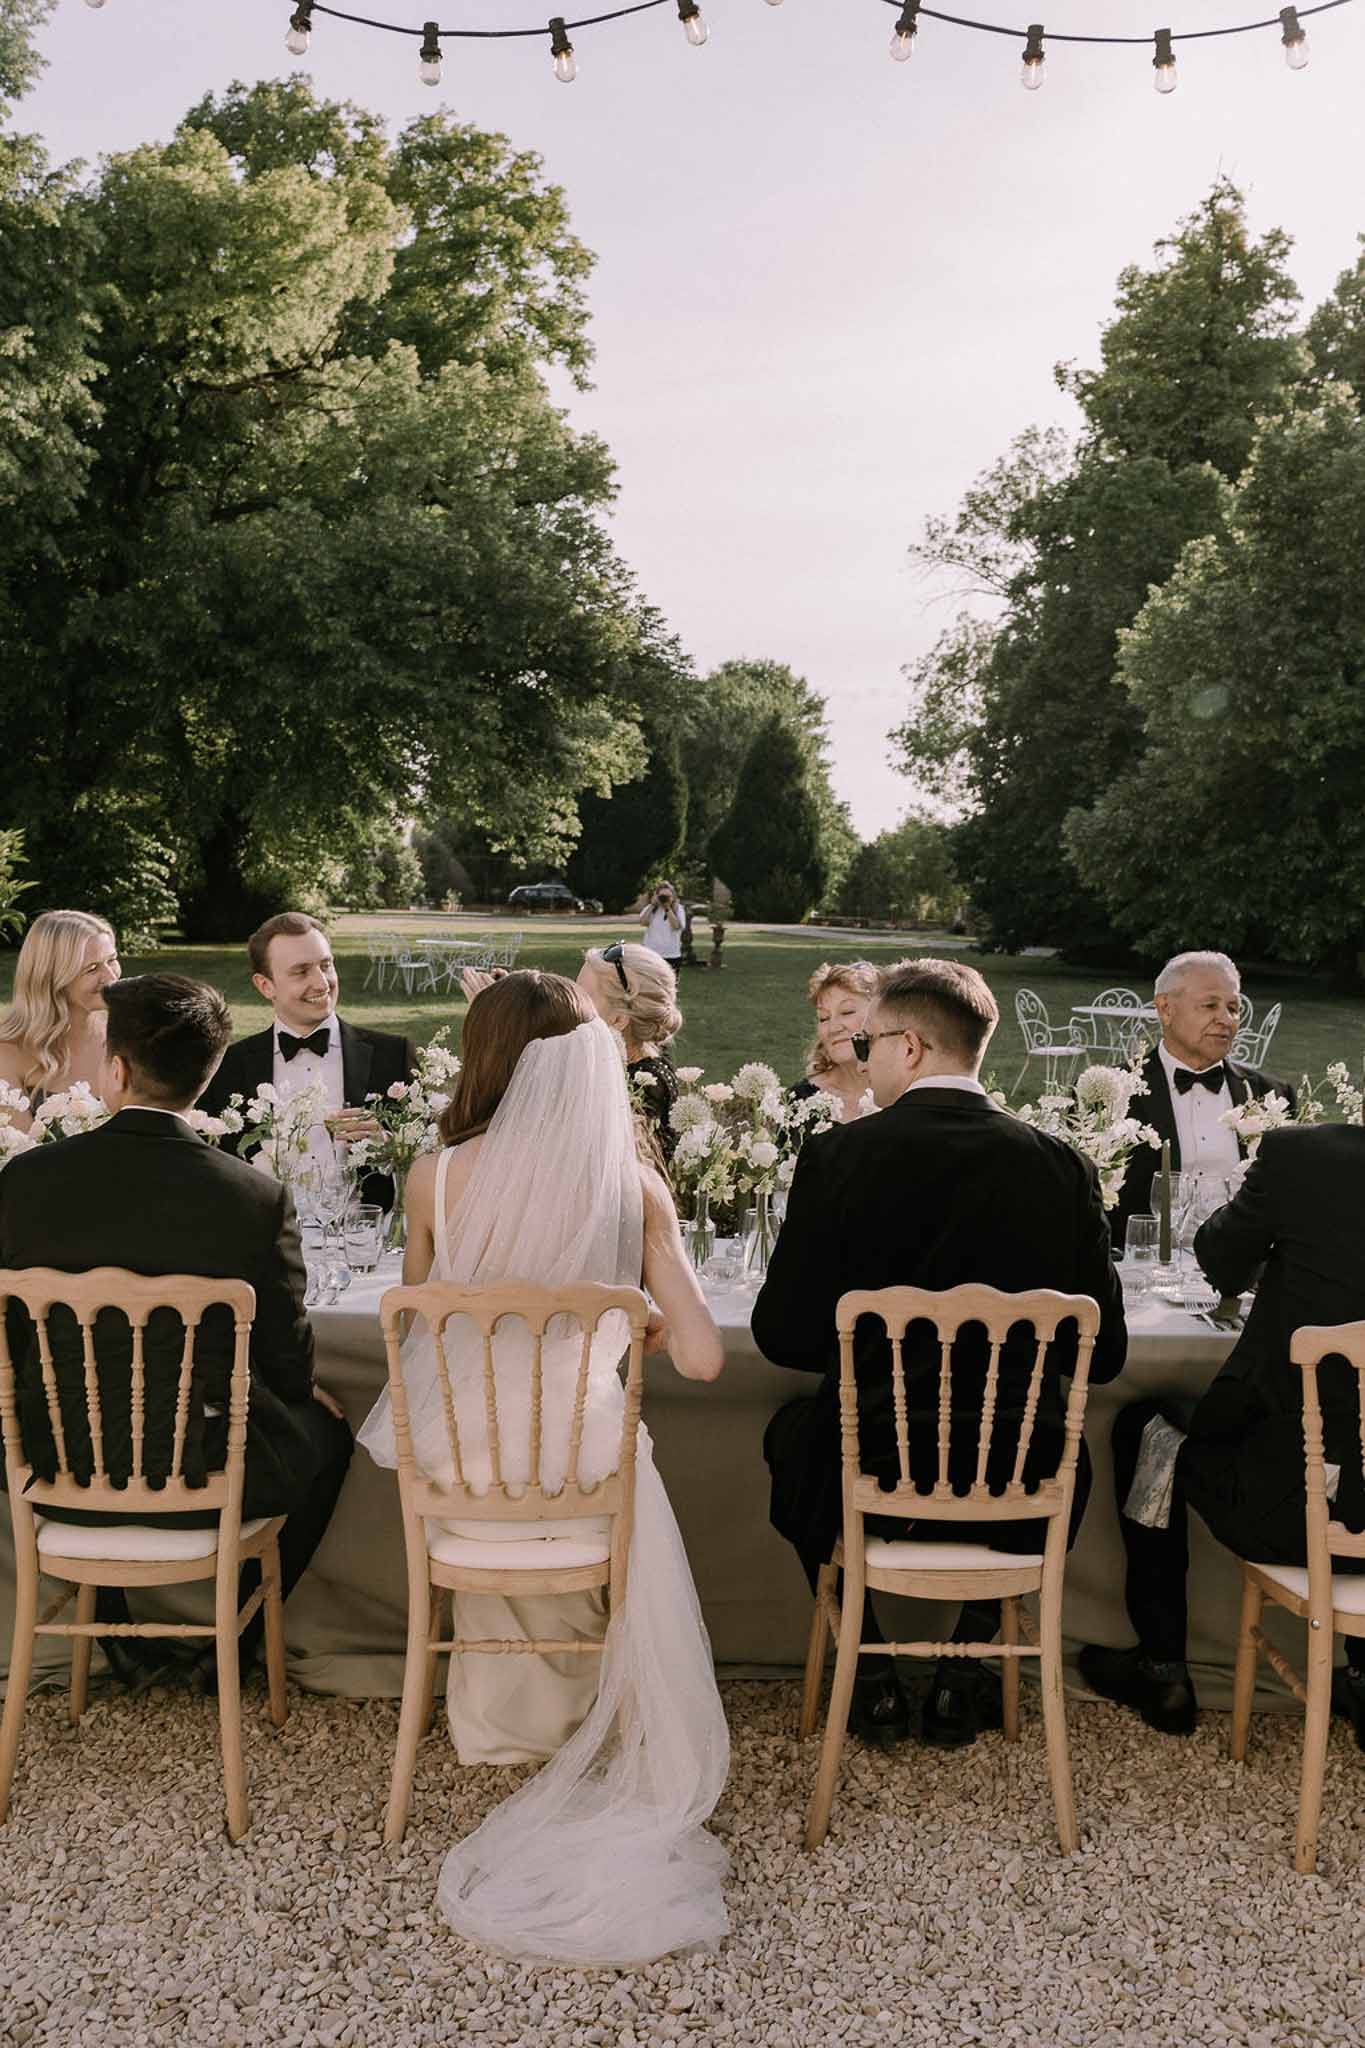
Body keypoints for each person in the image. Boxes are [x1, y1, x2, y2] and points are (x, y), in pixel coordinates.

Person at [357, 970, 729, 1965]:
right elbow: (702, 1358)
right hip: (575, 1475)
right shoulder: (632, 1183)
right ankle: (596, 1720)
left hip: (461, 1472)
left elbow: (421, 1321)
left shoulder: (436, 1173)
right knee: (617, 1440)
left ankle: (502, 1717)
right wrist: (636, 1324)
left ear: (484, 1058)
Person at [753, 957, 1127, 1750]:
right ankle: (965, 1668)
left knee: (790, 1433)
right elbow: (1103, 1355)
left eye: (867, 1043)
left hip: (865, 1475)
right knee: (1065, 1444)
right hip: (1016, 1474)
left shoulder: (839, 1159)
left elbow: (780, 1337)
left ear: (911, 1047)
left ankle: (871, 1668)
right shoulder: (1061, 1168)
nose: (861, 1058)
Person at [0, 973, 352, 1691]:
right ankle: (236, 1646)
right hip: (207, 1475)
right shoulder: (252, 1195)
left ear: (118, 1070)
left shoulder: (25, 1181)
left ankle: (116, 1632)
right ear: (209, 1074)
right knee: (329, 1434)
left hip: (52, 1476)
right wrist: (305, 1396)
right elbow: (286, 1362)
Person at [1080, 1110, 1365, 1742]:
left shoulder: (1305, 1158)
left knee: (1145, 1428)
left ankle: (1163, 1666)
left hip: (1292, 1509)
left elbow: (1219, 1258)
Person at [196, 911, 418, 1209]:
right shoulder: (225, 1067)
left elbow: (431, 1161)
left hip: (361, 1240)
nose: (321, 983)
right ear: (266, 986)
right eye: (301, 971)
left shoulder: (393, 1055)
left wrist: (391, 1146)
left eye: (326, 965)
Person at [1109, 950, 1294, 1253]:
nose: (1226, 1020)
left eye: (1233, 1008)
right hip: (1144, 1271)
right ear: (1165, 1009)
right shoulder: (1115, 1091)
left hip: (1244, 1271)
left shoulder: (1272, 1095)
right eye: (1210, 1005)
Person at [0, 910, 121, 1127]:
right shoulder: (7, 1054)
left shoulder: (128, 1037)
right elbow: (18, 1155)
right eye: (92, 969)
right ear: (52, 977)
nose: (111, 977)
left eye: (111, 960)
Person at [577, 941, 684, 1164]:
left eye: (583, 998)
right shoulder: (628, 1060)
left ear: (618, 1020)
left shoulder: (645, 1087)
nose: (573, 1003)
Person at [790, 960, 879, 1122]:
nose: (833, 1028)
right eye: (824, 1018)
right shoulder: (801, 1100)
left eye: (847, 1012)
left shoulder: (910, 1095)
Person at [636, 880, 684, 964]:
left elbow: (676, 926)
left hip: (671, 954)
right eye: (662, 896)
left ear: (673, 897)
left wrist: (667, 908)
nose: (664, 898)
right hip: (651, 953)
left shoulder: (678, 909)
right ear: (656, 895)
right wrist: (652, 904)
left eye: (667, 896)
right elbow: (643, 922)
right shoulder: (651, 908)